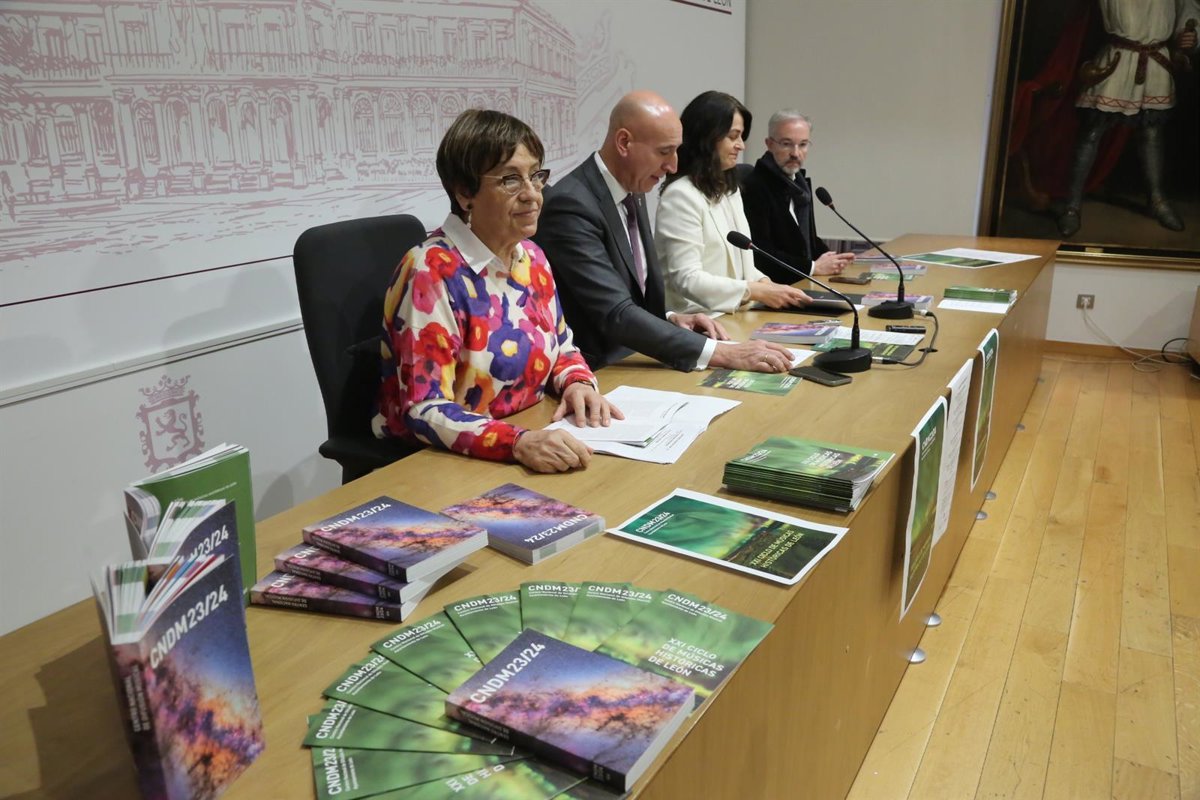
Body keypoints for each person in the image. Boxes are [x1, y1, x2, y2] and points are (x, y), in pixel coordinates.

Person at [372, 109, 621, 474]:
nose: (532, 195)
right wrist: (517, 442)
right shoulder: (430, 271)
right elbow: (424, 408)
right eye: (510, 180)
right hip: (445, 463)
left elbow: (562, 347)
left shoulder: (531, 257)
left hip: (531, 434)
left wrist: (578, 384)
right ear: (465, 193)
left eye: (535, 176)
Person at [534, 90, 796, 374]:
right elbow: (614, 312)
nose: (673, 165)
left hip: (639, 357)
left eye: (676, 150)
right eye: (663, 152)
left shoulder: (633, 189)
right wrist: (721, 352)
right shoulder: (571, 205)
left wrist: (670, 318)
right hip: (600, 370)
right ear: (624, 143)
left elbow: (635, 295)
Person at [654, 91, 812, 316]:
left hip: (738, 316)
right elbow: (687, 278)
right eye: (733, 136)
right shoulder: (680, 196)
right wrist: (754, 291)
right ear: (707, 138)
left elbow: (743, 267)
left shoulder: (730, 190)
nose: (741, 146)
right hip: (699, 322)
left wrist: (767, 284)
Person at [1056, 0, 1199, 236]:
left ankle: (1157, 201)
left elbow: (1188, 11)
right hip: (1116, 59)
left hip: (1156, 61)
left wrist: (1190, 36)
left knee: (1152, 133)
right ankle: (1071, 206)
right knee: (1092, 131)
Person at [738, 110, 856, 281]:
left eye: (803, 144)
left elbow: (805, 241)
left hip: (801, 281)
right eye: (787, 144)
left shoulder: (800, 185)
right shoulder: (754, 187)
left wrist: (835, 259)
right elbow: (760, 254)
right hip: (775, 286)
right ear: (769, 144)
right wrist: (813, 267)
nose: (795, 153)